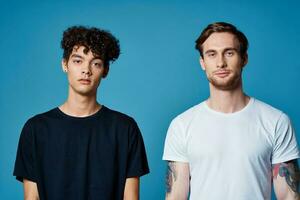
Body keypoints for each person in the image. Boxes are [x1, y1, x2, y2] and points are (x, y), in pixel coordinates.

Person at [162, 22, 300, 200]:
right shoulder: (181, 125)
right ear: (202, 62)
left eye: (229, 53)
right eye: (212, 54)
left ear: (244, 59)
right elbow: (175, 197)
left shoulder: (276, 121)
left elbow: (290, 196)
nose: (221, 63)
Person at [13, 26, 149, 200]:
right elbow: (31, 198)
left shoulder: (125, 128)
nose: (86, 70)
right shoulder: (36, 129)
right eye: (78, 61)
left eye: (96, 63)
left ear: (105, 70)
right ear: (64, 64)